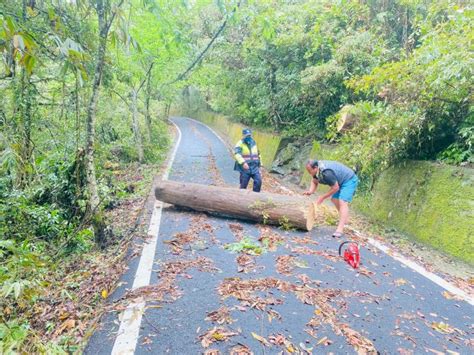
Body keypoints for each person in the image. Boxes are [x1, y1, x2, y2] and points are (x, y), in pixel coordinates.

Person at [303, 159, 358, 237]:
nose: (309, 173)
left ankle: (340, 229)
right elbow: (314, 181)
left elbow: (335, 188)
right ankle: (345, 218)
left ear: (315, 168)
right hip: (339, 181)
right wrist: (310, 191)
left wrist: (322, 197)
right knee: (334, 199)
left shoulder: (326, 173)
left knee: (342, 201)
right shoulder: (317, 171)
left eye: (310, 171)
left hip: (349, 180)